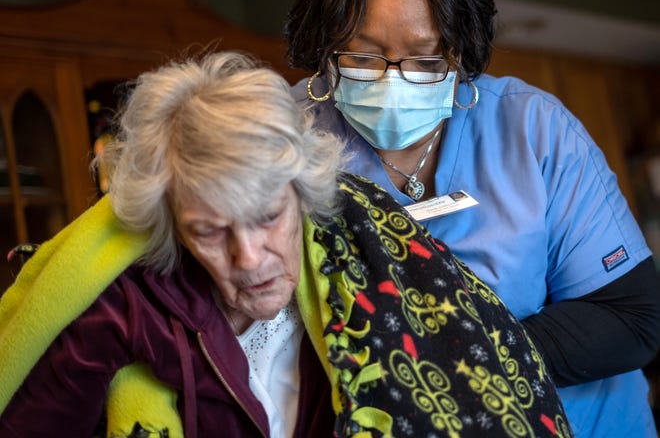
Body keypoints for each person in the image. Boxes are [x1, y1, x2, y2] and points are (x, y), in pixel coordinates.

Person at [0, 52, 571, 437]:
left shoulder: (367, 260)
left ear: (302, 194)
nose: (248, 260)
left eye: (268, 216)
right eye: (209, 231)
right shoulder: (124, 307)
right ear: (172, 224)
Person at [284, 0, 660, 436]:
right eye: (362, 56)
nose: (391, 83)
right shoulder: (286, 143)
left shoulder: (533, 129)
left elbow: (630, 319)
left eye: (425, 60)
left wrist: (445, 366)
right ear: (322, 43)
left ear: (460, 54)